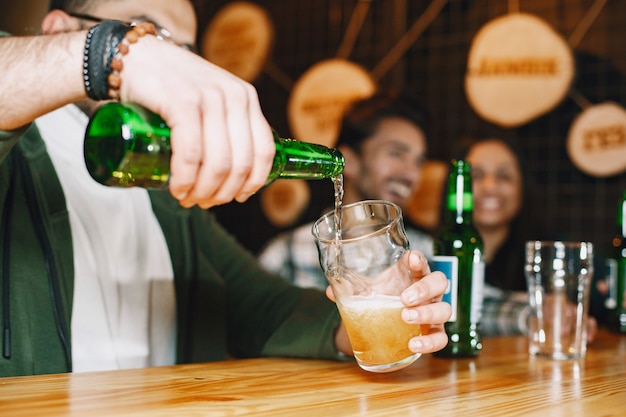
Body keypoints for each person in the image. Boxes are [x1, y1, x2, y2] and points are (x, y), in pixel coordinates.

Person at [0, 0, 450, 377]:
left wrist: (378, 313)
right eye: (144, 30)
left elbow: (260, 306)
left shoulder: (165, 192)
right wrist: (113, 53)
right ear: (58, 29)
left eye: (185, 50)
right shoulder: (18, 154)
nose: (171, 57)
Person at [259, 91, 434, 289]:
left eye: (419, 162)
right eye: (396, 154)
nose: (412, 174)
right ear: (348, 160)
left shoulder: (425, 255)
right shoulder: (287, 254)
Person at [458, 137, 599, 338]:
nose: (490, 186)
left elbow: (603, 288)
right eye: (476, 175)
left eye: (504, 176)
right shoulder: (430, 250)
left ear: (523, 187)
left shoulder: (551, 250)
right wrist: (538, 309)